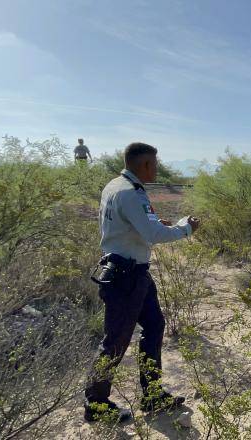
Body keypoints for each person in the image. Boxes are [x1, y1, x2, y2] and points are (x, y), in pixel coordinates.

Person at [83, 142, 201, 422]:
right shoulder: (133, 194)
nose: (157, 169)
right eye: (155, 164)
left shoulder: (114, 186)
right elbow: (154, 235)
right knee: (115, 341)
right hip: (126, 277)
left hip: (132, 272)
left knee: (155, 325)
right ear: (145, 164)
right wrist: (186, 229)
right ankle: (96, 405)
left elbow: (129, 225)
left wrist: (154, 224)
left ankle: (152, 394)